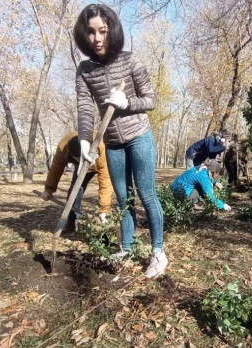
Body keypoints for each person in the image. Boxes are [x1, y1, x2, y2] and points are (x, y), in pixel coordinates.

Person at [74, 4, 166, 278]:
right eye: (90, 32)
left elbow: (150, 100)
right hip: (112, 143)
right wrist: (83, 140)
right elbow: (85, 107)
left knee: (146, 194)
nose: (97, 38)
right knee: (124, 199)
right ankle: (126, 247)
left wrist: (127, 102)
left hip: (139, 136)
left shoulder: (130, 61)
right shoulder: (84, 70)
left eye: (102, 31)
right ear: (84, 35)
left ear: (112, 31)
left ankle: (158, 252)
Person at [40, 132, 112, 233]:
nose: (81, 161)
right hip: (81, 169)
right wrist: (48, 189)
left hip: (99, 160)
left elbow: (105, 180)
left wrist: (104, 210)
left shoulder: (101, 146)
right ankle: (72, 223)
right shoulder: (63, 147)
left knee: (115, 187)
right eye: (78, 159)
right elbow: (56, 168)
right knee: (75, 191)